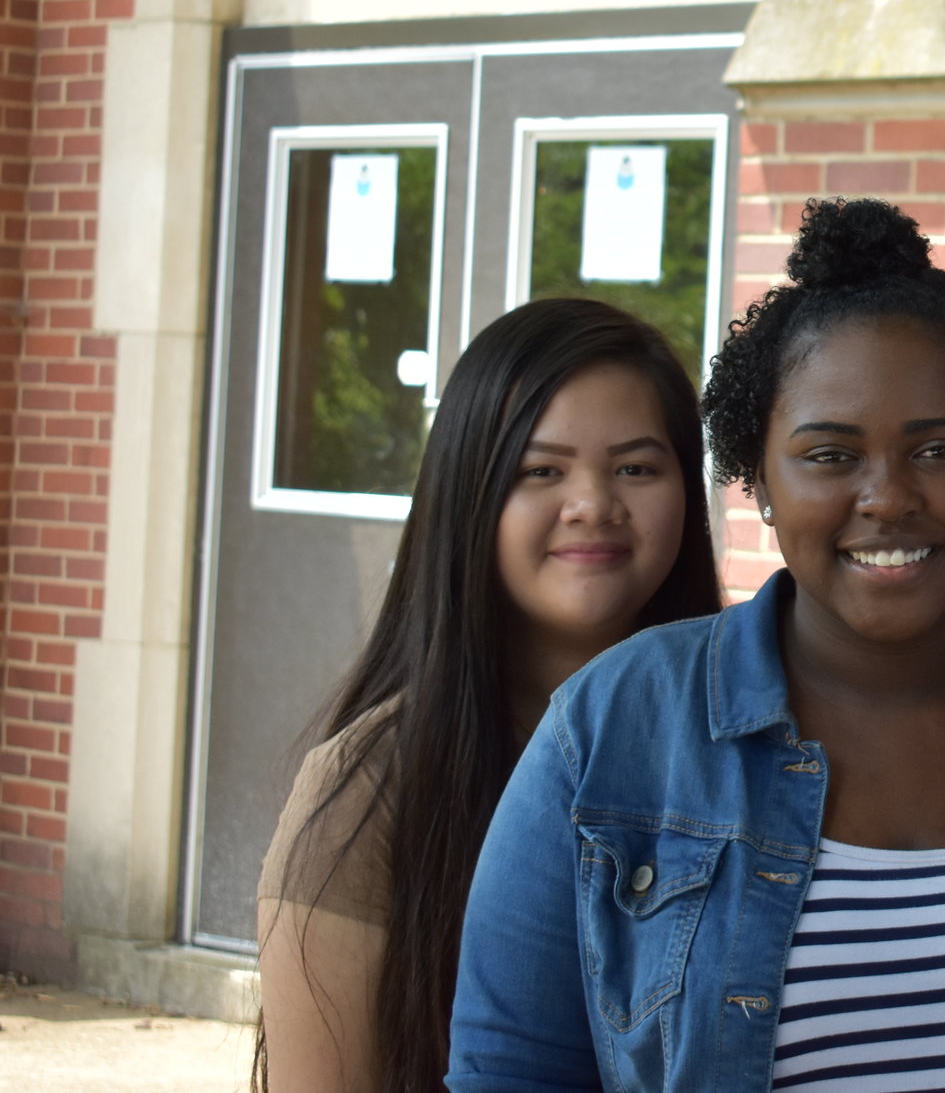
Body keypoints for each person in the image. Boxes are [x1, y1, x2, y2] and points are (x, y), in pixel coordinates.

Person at [447, 198, 945, 1093]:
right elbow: (508, 1072)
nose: (887, 497)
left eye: (941, 450)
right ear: (759, 477)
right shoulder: (607, 730)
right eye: (830, 455)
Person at [255, 298, 722, 1093]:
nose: (593, 504)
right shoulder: (367, 788)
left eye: (637, 467)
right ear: (466, 493)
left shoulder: (751, 742)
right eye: (541, 470)